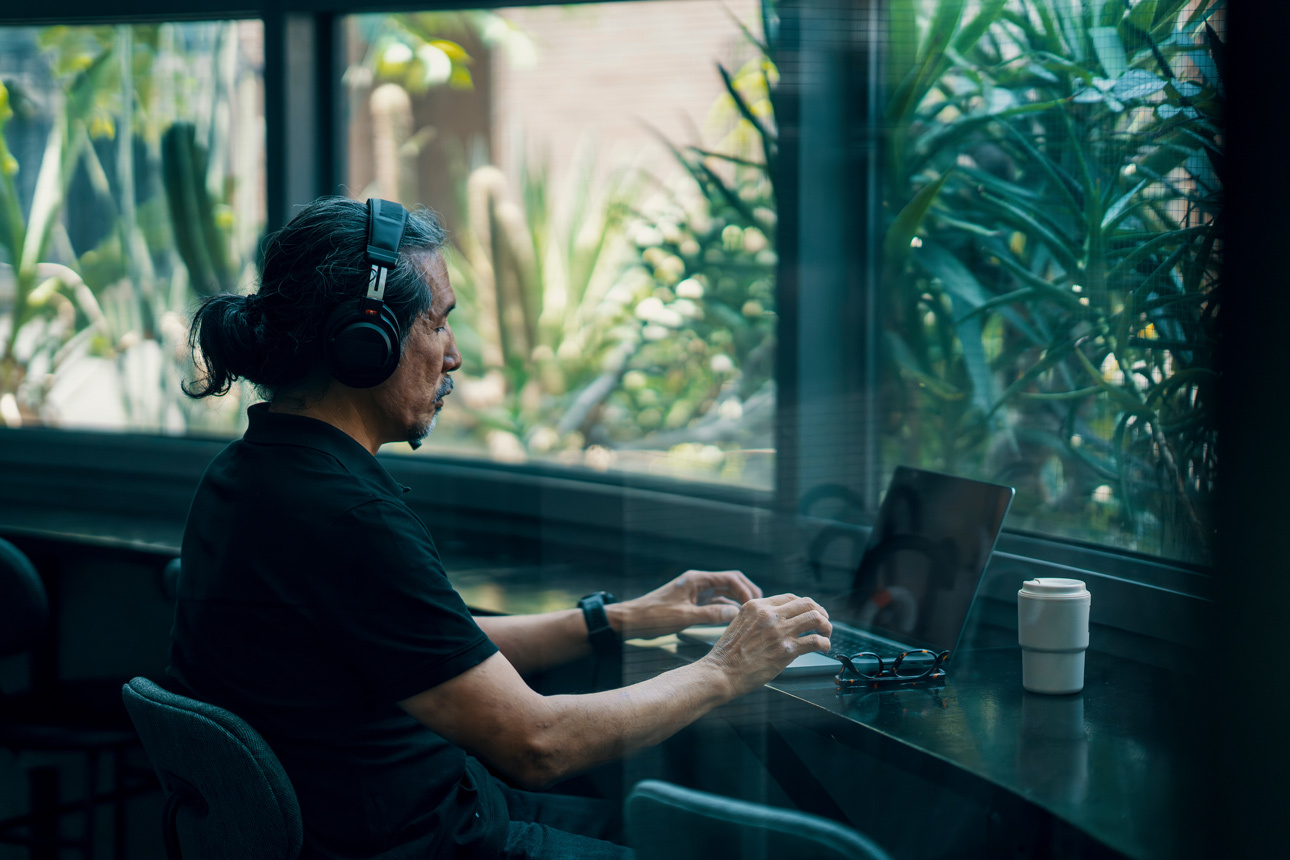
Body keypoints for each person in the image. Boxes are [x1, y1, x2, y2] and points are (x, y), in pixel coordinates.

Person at [168, 196, 831, 860]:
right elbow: (536, 744)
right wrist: (726, 668)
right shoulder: (346, 517)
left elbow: (429, 647)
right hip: (430, 843)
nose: (452, 357)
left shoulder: (249, 474)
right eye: (439, 324)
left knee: (677, 829)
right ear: (364, 342)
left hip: (408, 818)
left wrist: (615, 620)